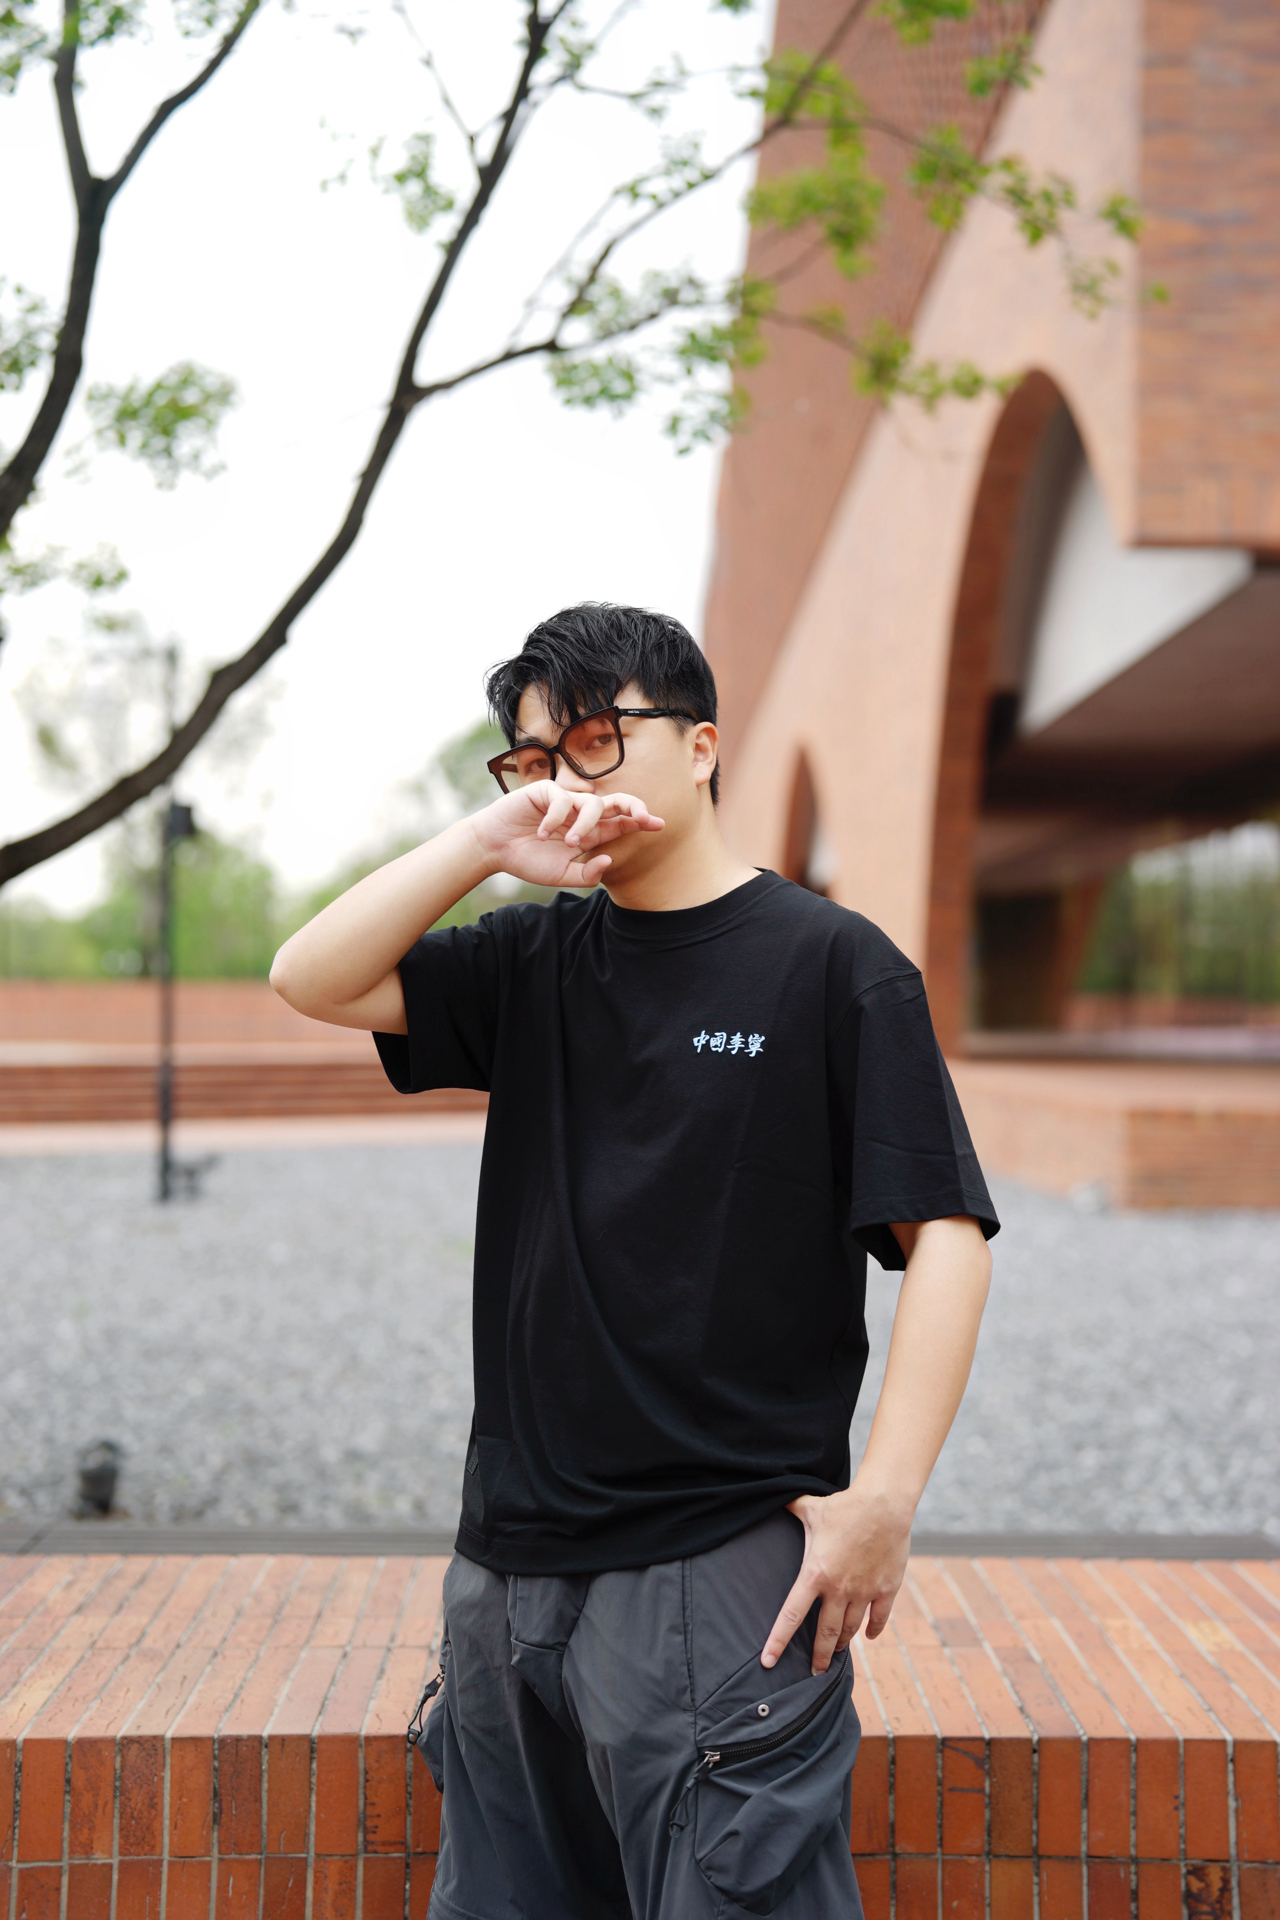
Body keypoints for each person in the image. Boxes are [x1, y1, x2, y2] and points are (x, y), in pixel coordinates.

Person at [270, 602, 997, 1920]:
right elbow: (309, 976)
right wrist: (486, 843)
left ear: (702, 745)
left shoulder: (832, 966)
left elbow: (942, 1232)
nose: (564, 781)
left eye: (595, 740)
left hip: (717, 1560)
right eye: (534, 759)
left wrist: (885, 1499)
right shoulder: (534, 958)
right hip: (506, 1569)